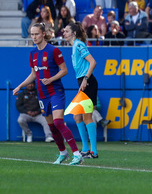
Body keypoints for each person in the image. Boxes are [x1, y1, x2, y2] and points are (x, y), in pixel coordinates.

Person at [13, 23, 82, 165]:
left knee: (58, 122)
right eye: (32, 34)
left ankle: (77, 153)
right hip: (42, 95)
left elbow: (64, 70)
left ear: (43, 34)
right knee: (51, 126)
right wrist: (20, 86)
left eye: (36, 34)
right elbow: (33, 74)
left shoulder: (54, 51)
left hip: (56, 92)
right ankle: (63, 153)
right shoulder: (32, 53)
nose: (34, 37)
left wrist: (50, 79)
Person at [63, 22, 99, 159]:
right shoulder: (75, 46)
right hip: (84, 82)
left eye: (66, 31)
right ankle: (85, 149)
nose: (64, 33)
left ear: (74, 33)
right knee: (77, 116)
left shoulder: (79, 45)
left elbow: (93, 62)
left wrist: (85, 79)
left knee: (87, 117)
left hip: (87, 82)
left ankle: (93, 152)